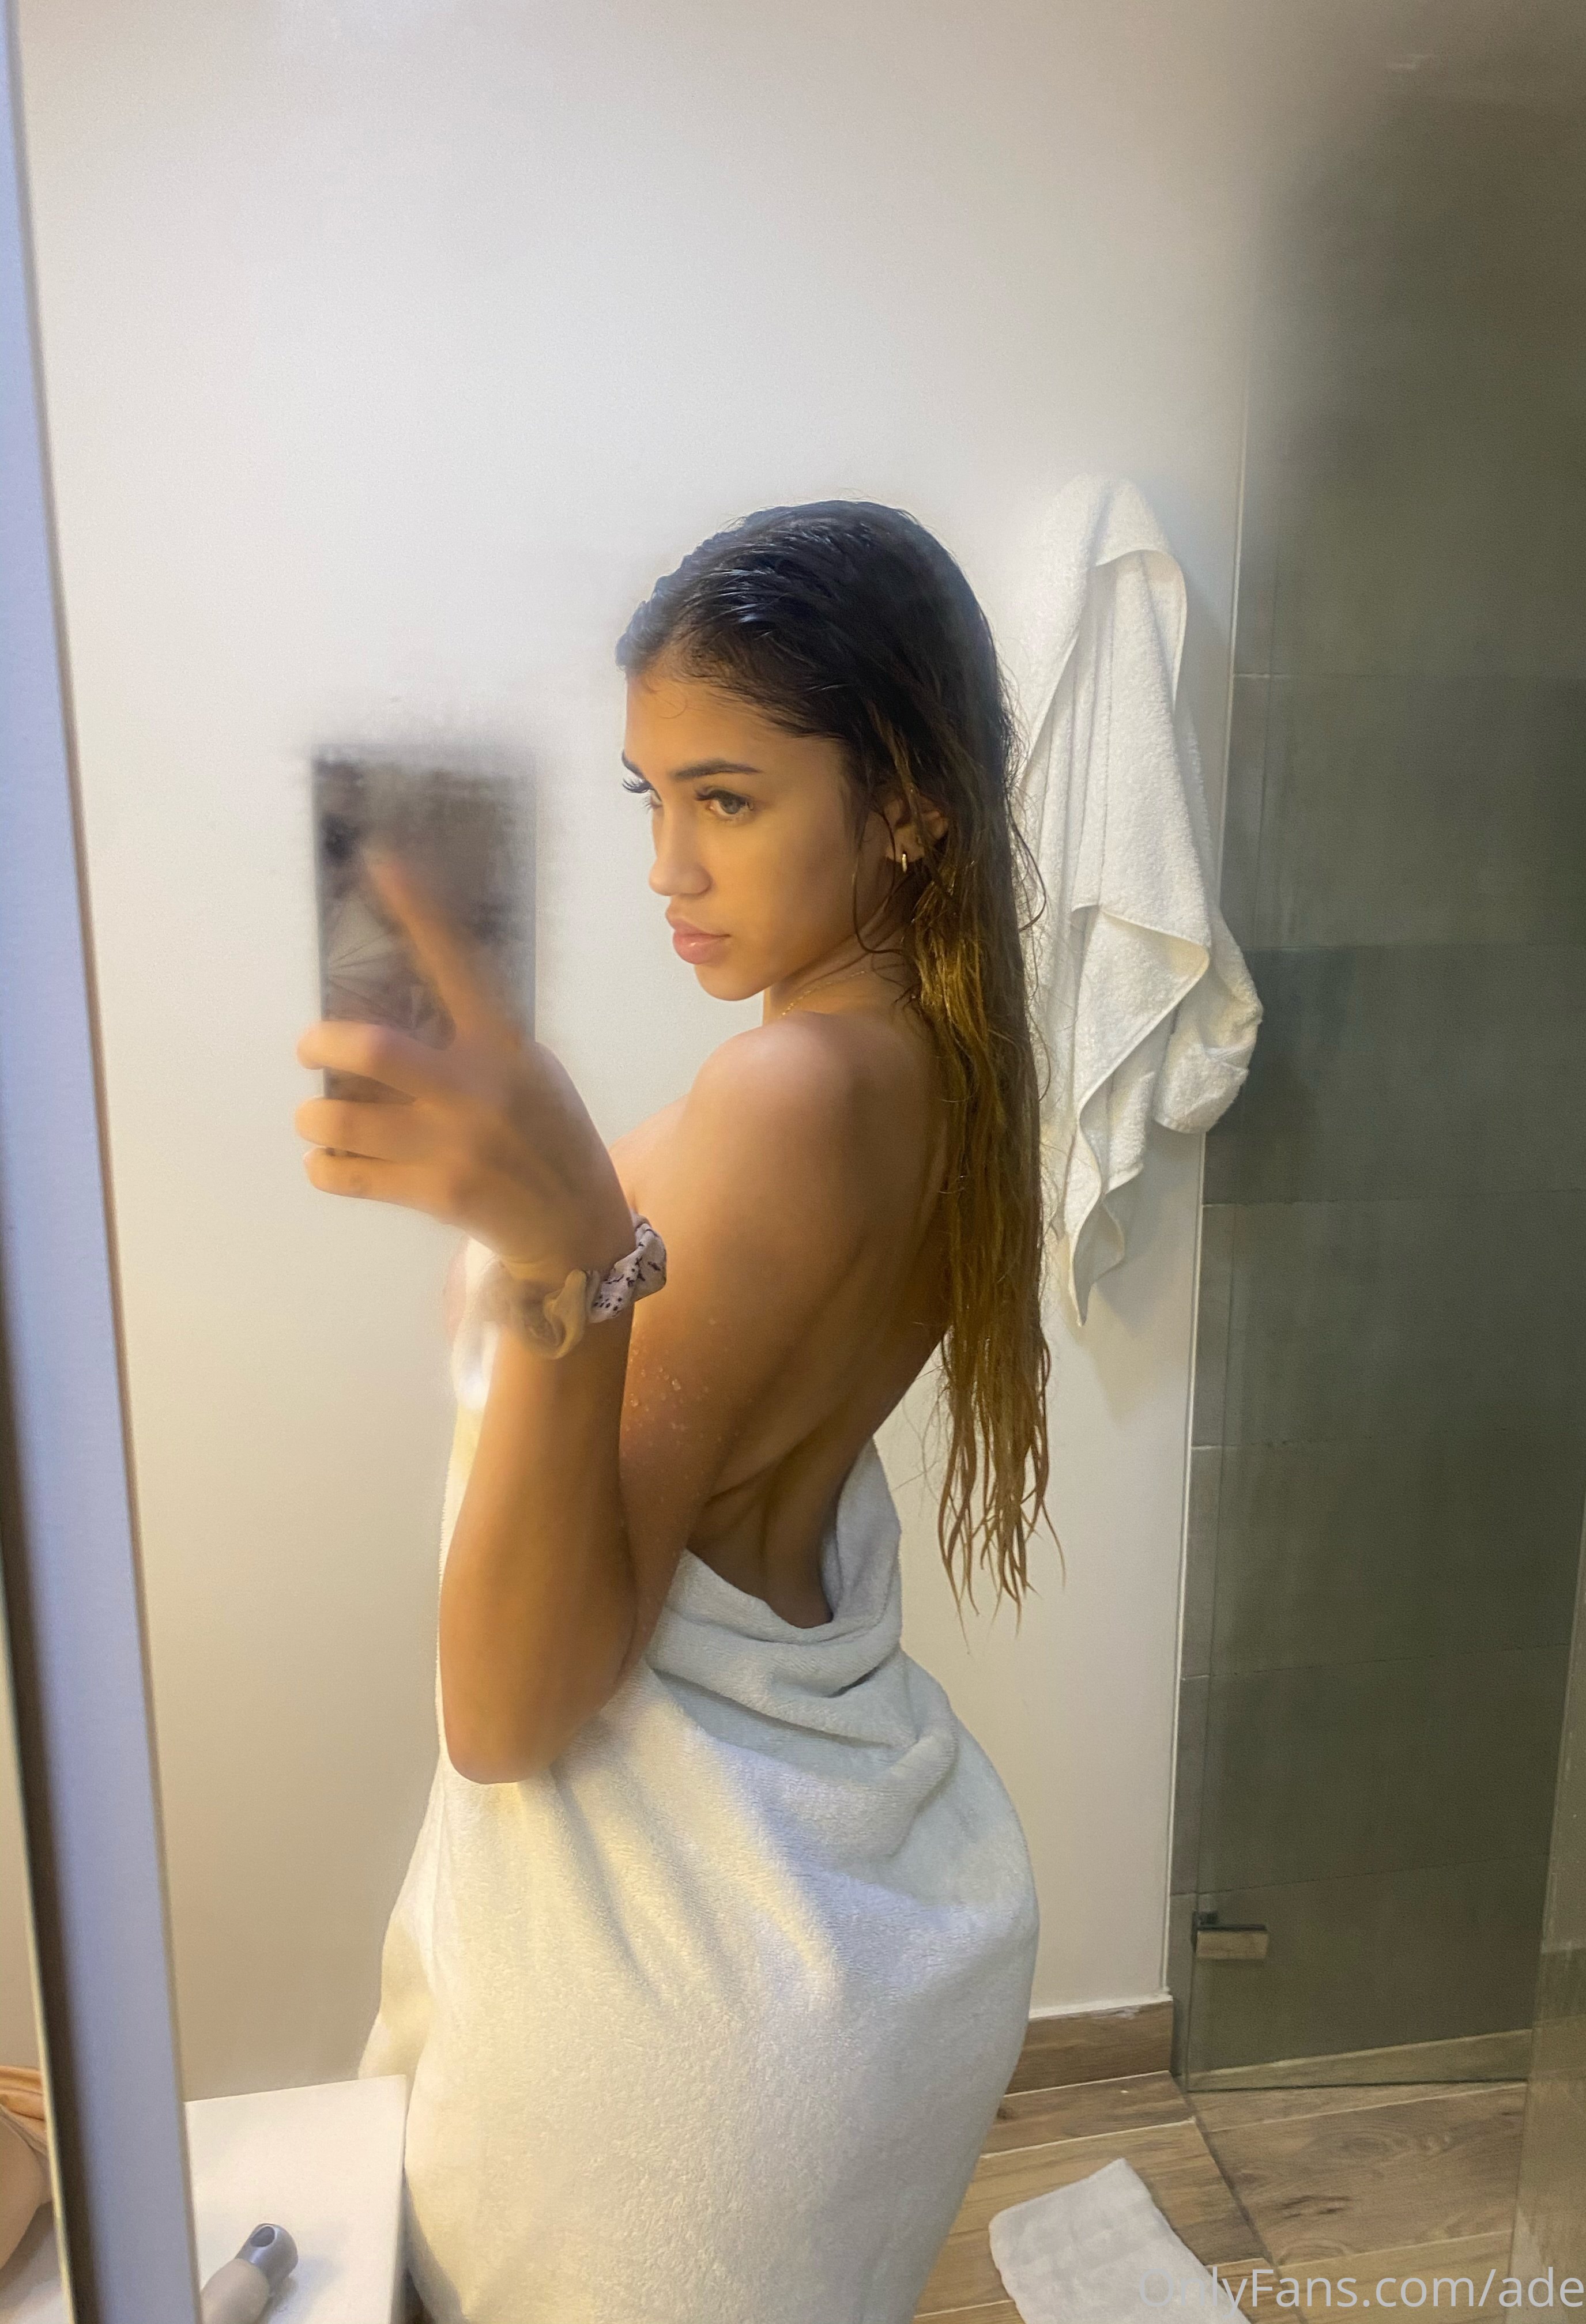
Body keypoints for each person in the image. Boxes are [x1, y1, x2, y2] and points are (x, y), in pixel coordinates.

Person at [293, 501, 1052, 2324]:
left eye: (726, 799)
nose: (667, 868)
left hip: (658, 1991)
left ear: (911, 805)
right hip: (786, 1926)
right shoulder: (942, 1066)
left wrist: (564, 1261)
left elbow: (510, 1711)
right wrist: (549, 1239)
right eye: (650, 800)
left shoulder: (786, 1095)